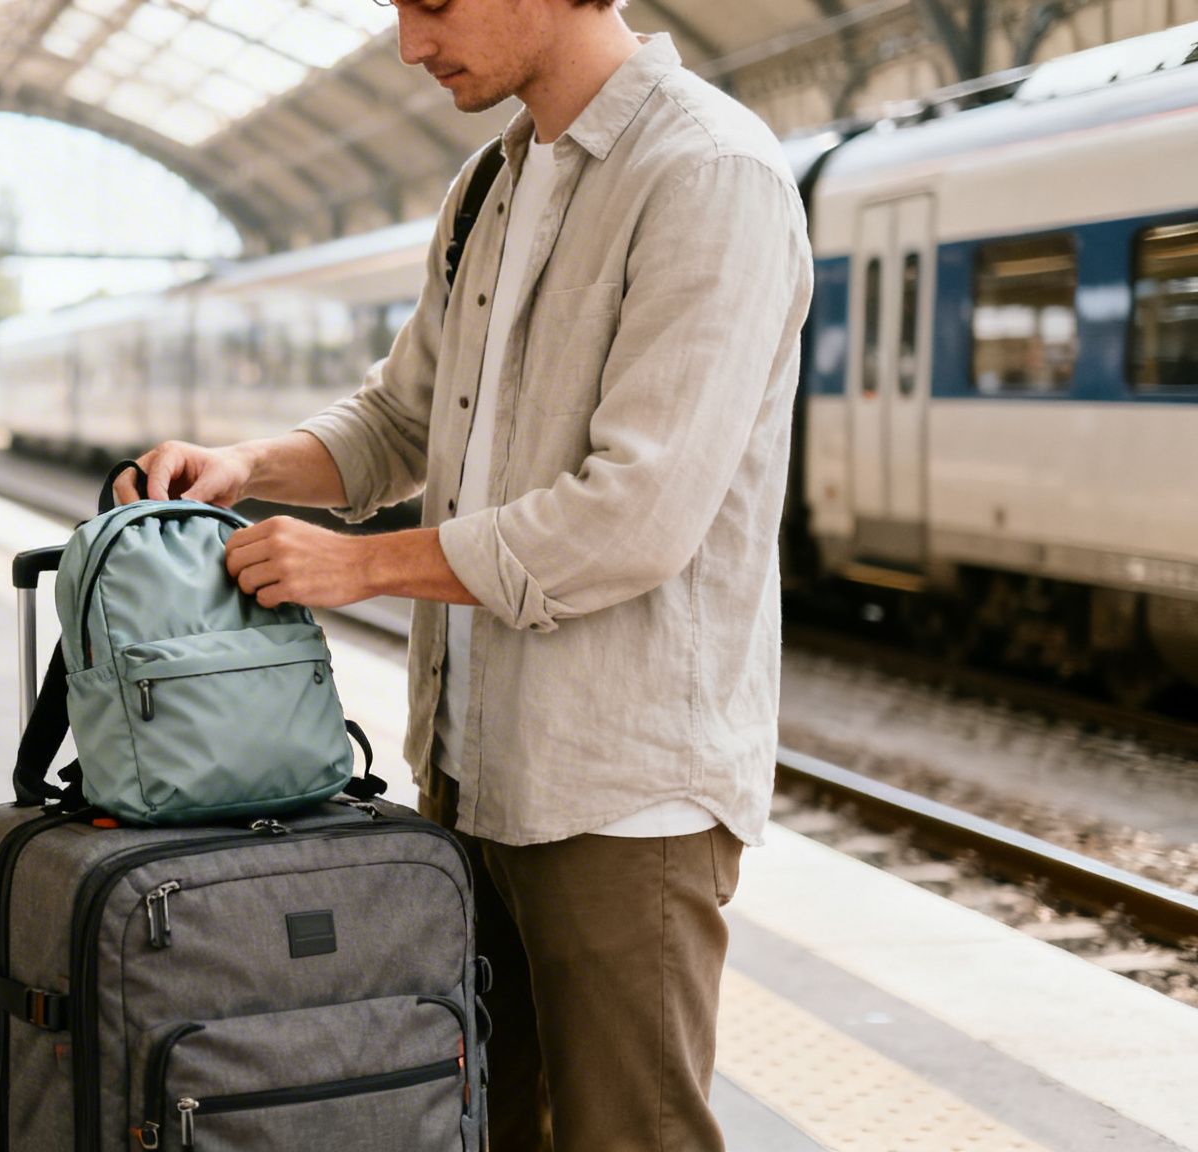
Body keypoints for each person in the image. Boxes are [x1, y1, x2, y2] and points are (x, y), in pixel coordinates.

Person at [116, 1, 813, 1148]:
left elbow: (633, 517)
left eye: (432, 3)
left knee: (624, 1133)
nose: (407, 43)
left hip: (618, 797)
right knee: (486, 1129)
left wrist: (358, 566)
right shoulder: (490, 182)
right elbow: (398, 422)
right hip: (470, 775)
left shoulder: (706, 173)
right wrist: (249, 463)